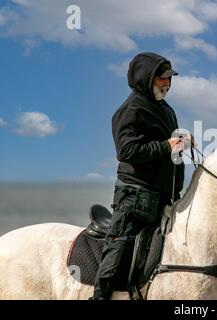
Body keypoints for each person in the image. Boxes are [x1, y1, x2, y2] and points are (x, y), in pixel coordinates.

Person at [91, 52, 187, 300]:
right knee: (119, 246)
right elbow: (126, 151)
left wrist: (181, 142)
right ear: (146, 79)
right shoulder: (129, 110)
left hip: (164, 196)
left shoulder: (166, 108)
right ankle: (99, 297)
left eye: (169, 79)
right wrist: (166, 145)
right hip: (135, 196)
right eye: (161, 79)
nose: (166, 83)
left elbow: (168, 145)